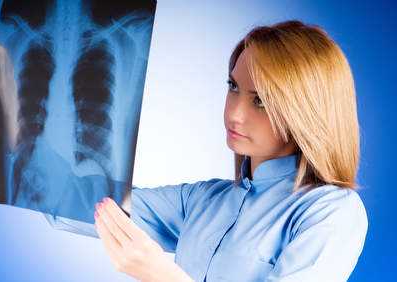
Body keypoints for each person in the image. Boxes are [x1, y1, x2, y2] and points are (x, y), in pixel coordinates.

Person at [51, 20, 368, 282]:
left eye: (260, 100)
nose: (234, 114)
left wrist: (160, 275)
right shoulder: (201, 201)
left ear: (306, 110)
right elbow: (72, 202)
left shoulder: (331, 212)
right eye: (233, 87)